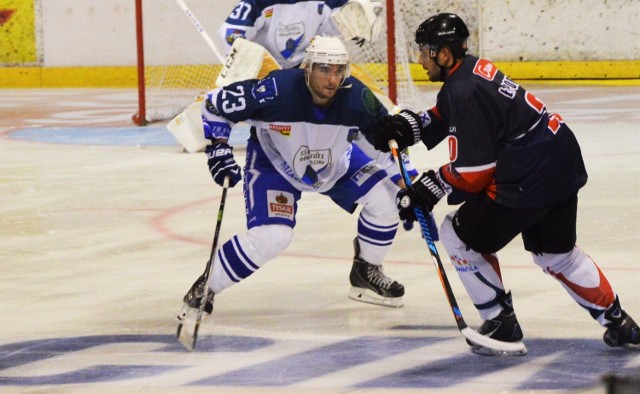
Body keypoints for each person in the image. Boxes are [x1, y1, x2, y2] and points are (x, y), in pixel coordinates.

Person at [372, 13, 639, 353]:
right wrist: (413, 126)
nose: (420, 59)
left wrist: (430, 186)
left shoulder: (462, 89)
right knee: (558, 254)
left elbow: (474, 173)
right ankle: (619, 322)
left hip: (528, 175)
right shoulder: (471, 71)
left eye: (425, 51)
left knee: (457, 235)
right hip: (559, 161)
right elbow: (449, 115)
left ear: (444, 55)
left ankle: (500, 322)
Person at [177, 35, 409, 323]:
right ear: (307, 68)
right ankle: (207, 286)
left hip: (335, 161)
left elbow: (387, 144)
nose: (333, 79)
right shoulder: (275, 90)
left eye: (339, 70)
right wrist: (218, 150)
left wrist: (408, 187)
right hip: (276, 164)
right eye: (325, 70)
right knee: (274, 237)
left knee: (387, 200)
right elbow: (215, 105)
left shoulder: (357, 98)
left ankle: (366, 271)